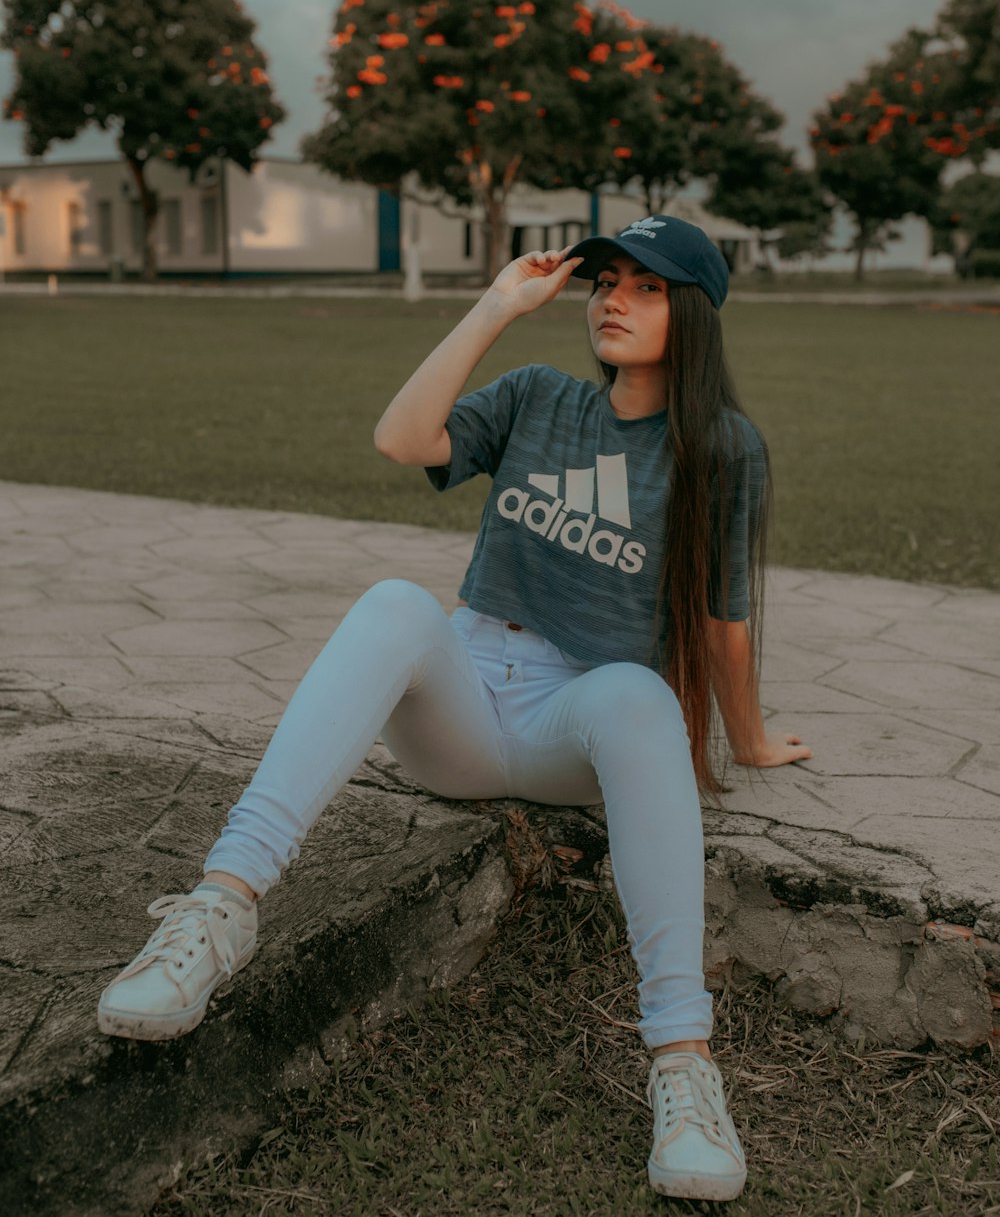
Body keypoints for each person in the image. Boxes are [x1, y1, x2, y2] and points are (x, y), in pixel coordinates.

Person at [97, 215, 811, 1203]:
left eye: (645, 285)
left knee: (641, 693)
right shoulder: (537, 397)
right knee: (395, 601)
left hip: (578, 720)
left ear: (692, 310)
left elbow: (719, 620)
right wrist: (497, 303)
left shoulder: (723, 446)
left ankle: (681, 1062)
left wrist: (751, 737)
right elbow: (402, 438)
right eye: (604, 277)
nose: (611, 296)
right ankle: (219, 910)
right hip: (463, 713)